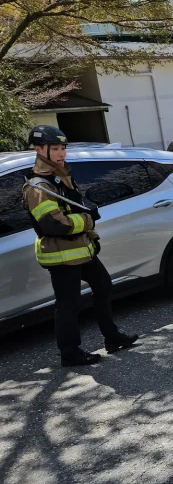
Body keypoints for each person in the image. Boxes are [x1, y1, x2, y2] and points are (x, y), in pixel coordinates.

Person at [22, 126, 137, 367]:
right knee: (68, 303)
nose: (61, 153)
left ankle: (112, 337)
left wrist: (91, 232)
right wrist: (88, 220)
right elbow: (53, 224)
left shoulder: (61, 176)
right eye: (55, 148)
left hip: (80, 248)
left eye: (63, 148)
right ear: (39, 149)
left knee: (103, 285)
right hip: (61, 253)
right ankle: (70, 352)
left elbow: (76, 209)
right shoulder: (38, 186)